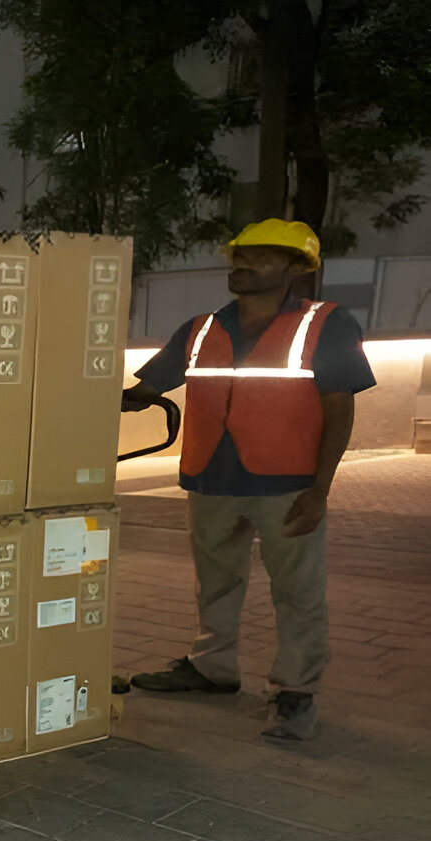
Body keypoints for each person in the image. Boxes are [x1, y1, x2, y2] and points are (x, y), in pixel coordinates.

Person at [123, 219, 376, 742]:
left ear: (294, 267)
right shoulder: (201, 328)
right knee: (215, 582)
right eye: (240, 255)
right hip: (210, 477)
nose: (243, 264)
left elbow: (339, 410)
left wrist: (320, 490)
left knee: (297, 591)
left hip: (287, 484)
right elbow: (146, 389)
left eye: (261, 257)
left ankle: (295, 690)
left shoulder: (326, 324)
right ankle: (212, 668)